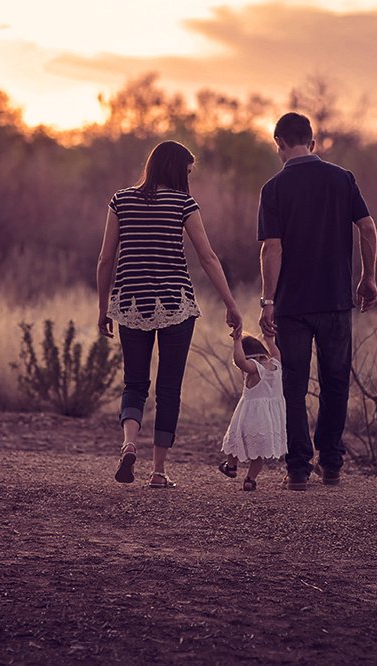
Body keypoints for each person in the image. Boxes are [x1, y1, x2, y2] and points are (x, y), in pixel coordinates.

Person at [96, 140, 242, 488]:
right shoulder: (183, 203)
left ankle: (129, 443)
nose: (189, 178)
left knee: (134, 383)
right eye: (188, 171)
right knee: (169, 389)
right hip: (176, 304)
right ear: (178, 170)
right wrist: (230, 303)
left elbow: (105, 259)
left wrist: (104, 308)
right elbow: (207, 258)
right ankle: (158, 472)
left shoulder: (121, 200)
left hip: (130, 304)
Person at [257, 112, 377, 491]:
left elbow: (271, 249)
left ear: (279, 143)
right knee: (335, 382)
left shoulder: (273, 188)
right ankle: (331, 464)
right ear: (312, 142)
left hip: (293, 305)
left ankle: (297, 470)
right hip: (335, 300)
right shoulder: (342, 179)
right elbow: (368, 228)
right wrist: (368, 277)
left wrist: (267, 300)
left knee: (293, 385)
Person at [218, 332, 287, 491]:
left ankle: (231, 466)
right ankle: (250, 479)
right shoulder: (276, 364)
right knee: (259, 452)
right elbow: (276, 352)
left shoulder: (254, 368)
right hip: (269, 418)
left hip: (250, 415)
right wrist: (269, 339)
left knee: (234, 440)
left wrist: (236, 342)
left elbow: (240, 361)